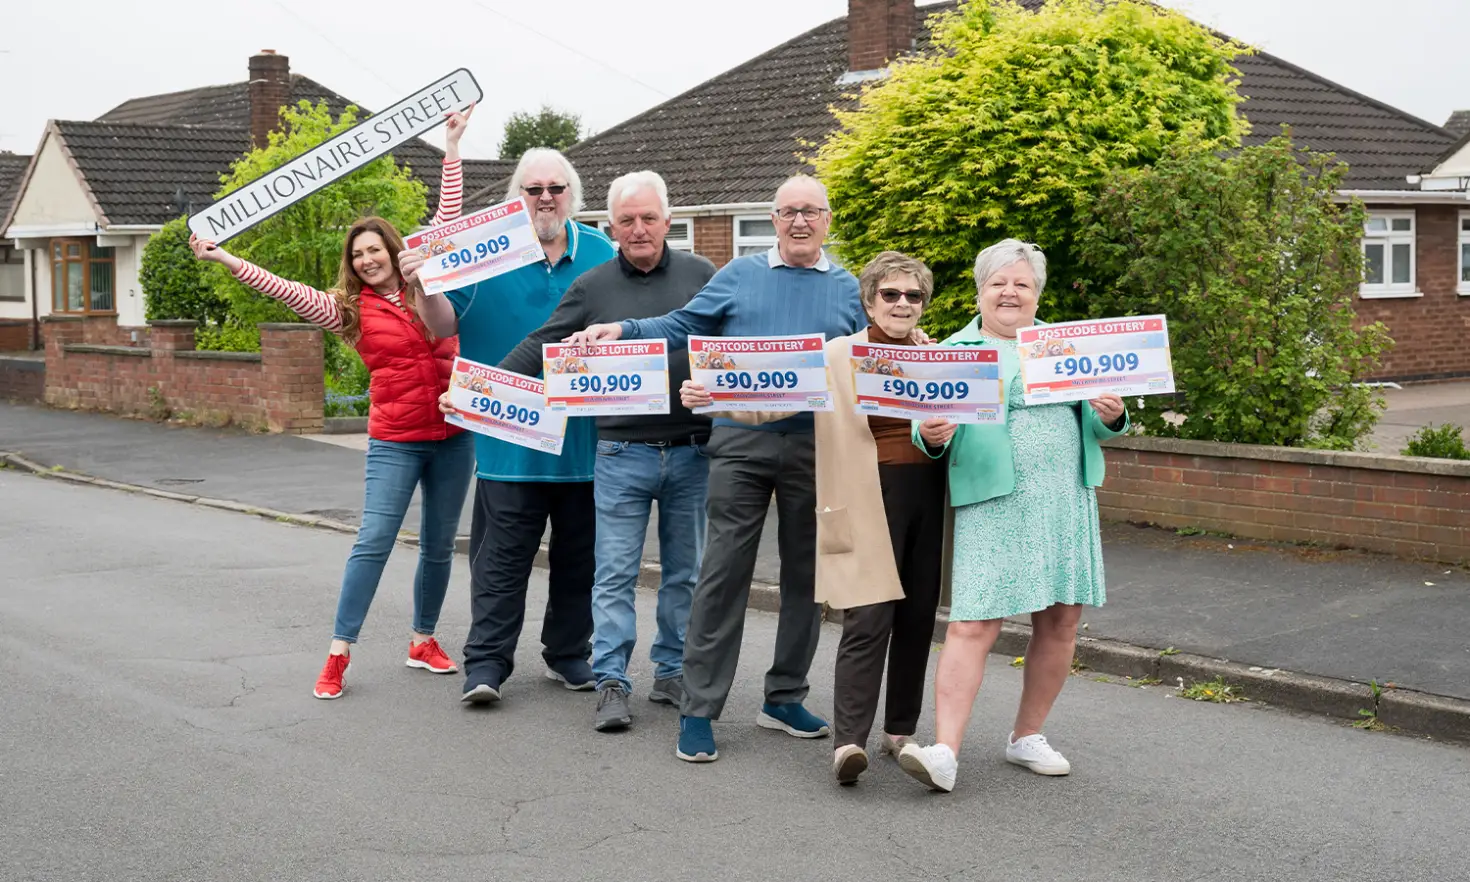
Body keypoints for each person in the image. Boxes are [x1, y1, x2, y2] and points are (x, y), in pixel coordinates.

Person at [568, 174, 864, 763]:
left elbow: (872, 355)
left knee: (808, 580)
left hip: (816, 449)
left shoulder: (848, 288)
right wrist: (622, 329)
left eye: (811, 212)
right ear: (775, 220)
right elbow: (682, 325)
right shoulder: (738, 275)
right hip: (740, 446)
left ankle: (783, 697)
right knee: (722, 576)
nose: (800, 222)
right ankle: (699, 709)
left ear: (828, 219)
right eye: (788, 212)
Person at [188, 106, 477, 700]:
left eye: (375, 250)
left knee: (440, 544)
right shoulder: (346, 310)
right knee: (373, 541)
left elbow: (447, 217)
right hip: (397, 439)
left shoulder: (430, 278)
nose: (367, 260)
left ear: (394, 249)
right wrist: (225, 259)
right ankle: (339, 652)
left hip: (453, 434)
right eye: (357, 256)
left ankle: (423, 640)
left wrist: (452, 145)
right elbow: (282, 288)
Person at [679, 251, 946, 784]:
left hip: (925, 495)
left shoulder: (935, 356)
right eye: (890, 294)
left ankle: (900, 731)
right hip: (861, 497)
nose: (901, 303)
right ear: (868, 300)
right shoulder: (837, 354)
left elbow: (974, 412)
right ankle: (850, 742)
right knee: (867, 620)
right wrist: (716, 398)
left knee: (917, 619)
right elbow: (774, 400)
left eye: (913, 296)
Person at [896, 239, 1128, 792]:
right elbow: (923, 430)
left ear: (1036, 293)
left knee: (1062, 619)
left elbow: (1095, 427)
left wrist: (1112, 416)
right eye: (999, 282)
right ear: (979, 291)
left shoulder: (1065, 346)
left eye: (1022, 283)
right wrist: (929, 433)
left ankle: (1027, 736)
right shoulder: (955, 349)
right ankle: (946, 751)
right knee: (974, 622)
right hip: (994, 501)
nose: (1010, 292)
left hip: (1065, 496)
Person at [497, 170, 716, 732]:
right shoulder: (592, 286)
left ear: (668, 221)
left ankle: (670, 672)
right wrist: (486, 388)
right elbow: (543, 341)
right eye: (627, 221)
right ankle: (613, 679)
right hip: (620, 453)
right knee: (614, 573)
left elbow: (735, 343)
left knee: (684, 573)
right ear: (610, 226)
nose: (638, 229)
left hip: (693, 451)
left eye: (648, 218)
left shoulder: (703, 275)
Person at [410, 148, 615, 704]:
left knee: (580, 563)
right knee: (500, 565)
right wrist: (423, 286)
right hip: (508, 441)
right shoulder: (484, 255)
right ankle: (487, 666)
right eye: (533, 189)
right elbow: (443, 322)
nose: (545, 198)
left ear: (572, 195)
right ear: (515, 196)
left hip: (583, 446)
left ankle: (568, 654)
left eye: (555, 188)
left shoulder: (602, 253)